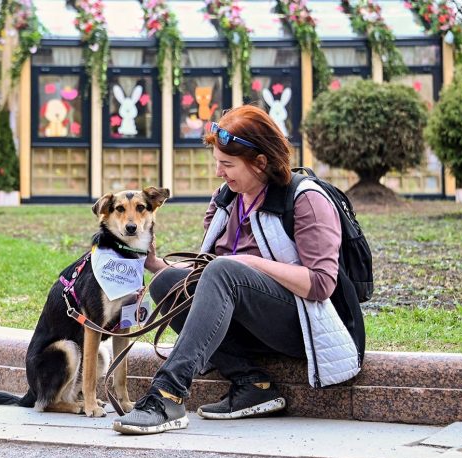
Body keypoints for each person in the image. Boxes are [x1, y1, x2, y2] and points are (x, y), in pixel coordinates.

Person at [112, 105, 365, 435]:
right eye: (217, 162)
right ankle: (252, 385)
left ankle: (168, 394)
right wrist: (153, 263)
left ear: (261, 162)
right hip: (247, 318)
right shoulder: (225, 199)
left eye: (227, 164)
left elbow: (320, 285)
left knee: (223, 271)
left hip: (304, 324)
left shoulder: (306, 199)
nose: (219, 172)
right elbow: (208, 273)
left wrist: (249, 263)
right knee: (168, 283)